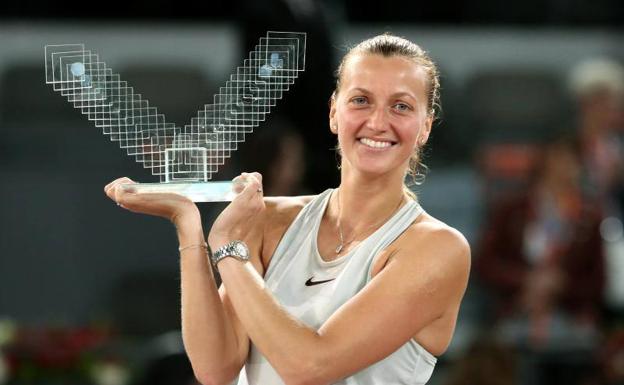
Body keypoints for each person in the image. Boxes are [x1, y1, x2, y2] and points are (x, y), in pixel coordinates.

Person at [104, 34, 470, 385]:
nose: (377, 121)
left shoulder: (437, 249)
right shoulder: (270, 218)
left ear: (424, 127)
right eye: (361, 100)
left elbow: (309, 367)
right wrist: (188, 226)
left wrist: (228, 247)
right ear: (333, 113)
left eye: (401, 106)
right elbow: (215, 368)